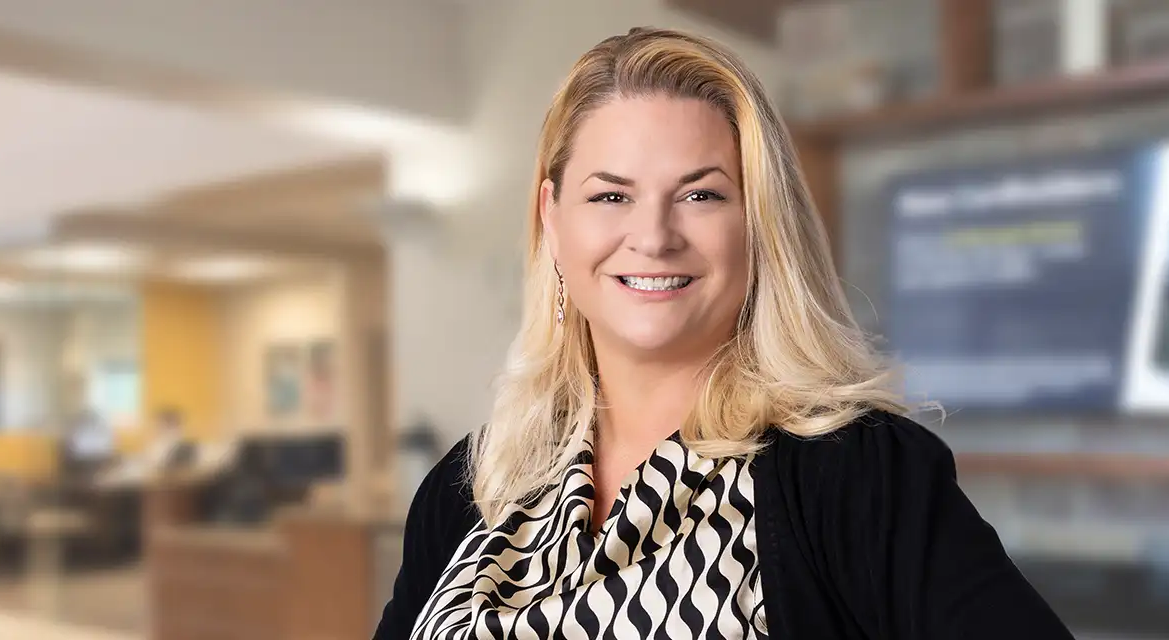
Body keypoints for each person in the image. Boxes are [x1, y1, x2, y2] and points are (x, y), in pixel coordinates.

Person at [376, 27, 1073, 640]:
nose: (652, 236)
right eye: (611, 195)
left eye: (701, 194)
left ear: (758, 224)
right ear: (552, 219)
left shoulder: (856, 475)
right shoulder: (469, 486)